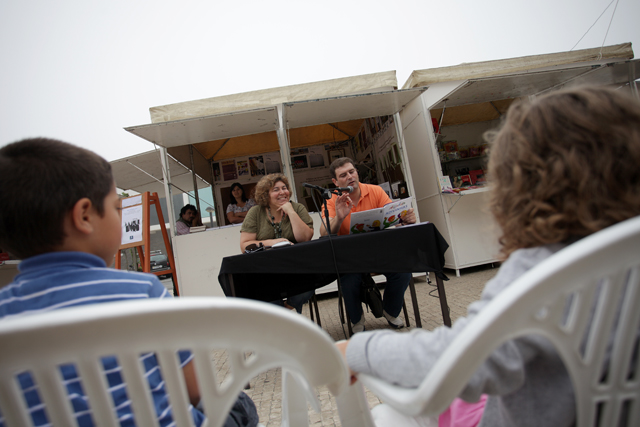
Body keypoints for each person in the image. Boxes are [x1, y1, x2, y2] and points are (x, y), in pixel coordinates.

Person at [336, 86, 640, 427]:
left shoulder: (543, 265)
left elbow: (466, 359)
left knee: (386, 416)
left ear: (521, 180)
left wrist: (360, 350)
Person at [0, 138, 258, 427]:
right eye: (115, 208)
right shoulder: (142, 293)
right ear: (84, 216)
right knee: (239, 406)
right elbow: (197, 393)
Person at [320, 157, 416, 333]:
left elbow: (394, 216)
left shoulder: (375, 191)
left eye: (352, 171)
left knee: (403, 271)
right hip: (350, 258)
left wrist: (405, 219)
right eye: (343, 175)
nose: (350, 177)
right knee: (348, 280)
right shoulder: (332, 199)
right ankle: (357, 320)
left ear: (357, 172)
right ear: (335, 182)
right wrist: (340, 217)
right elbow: (324, 233)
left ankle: (390, 310)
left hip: (380, 252)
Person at [240, 173, 314, 313]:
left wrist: (291, 212)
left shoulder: (298, 208)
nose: (282, 192)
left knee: (309, 286)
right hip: (266, 271)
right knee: (263, 290)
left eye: (284, 188)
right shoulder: (255, 212)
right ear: (265, 194)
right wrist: (273, 242)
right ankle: (282, 322)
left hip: (297, 268)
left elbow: (305, 238)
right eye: (276, 190)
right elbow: (245, 245)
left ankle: (285, 311)